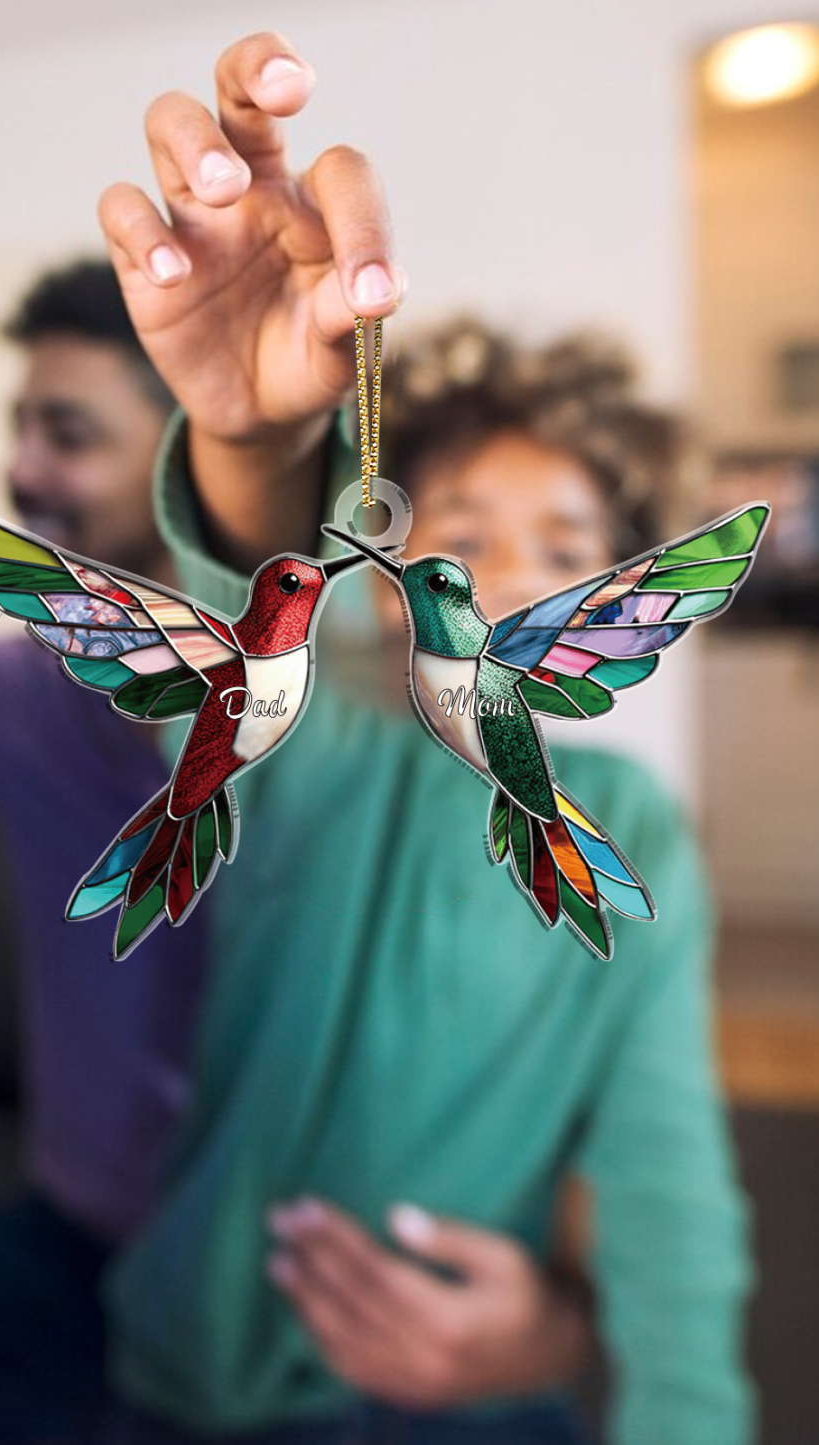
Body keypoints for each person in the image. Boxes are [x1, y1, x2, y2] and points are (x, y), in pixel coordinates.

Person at [0, 272, 595, 1439]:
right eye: (18, 428)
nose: (22, 470)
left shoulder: (383, 720)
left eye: (67, 433)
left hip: (342, 1297)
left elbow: (581, 1056)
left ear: (191, 458)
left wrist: (553, 1319)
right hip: (75, 1262)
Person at [93, 31, 752, 1445]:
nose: (507, 575)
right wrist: (250, 444)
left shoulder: (634, 832)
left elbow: (662, 1177)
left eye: (564, 545)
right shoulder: (323, 757)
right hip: (192, 1378)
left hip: (480, 1397)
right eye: (462, 537)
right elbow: (238, 659)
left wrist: (628, 1378)